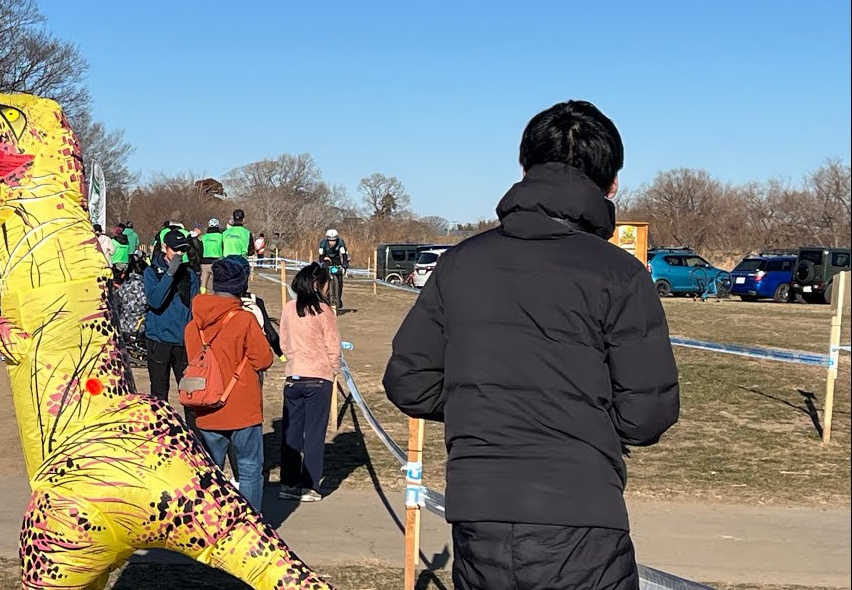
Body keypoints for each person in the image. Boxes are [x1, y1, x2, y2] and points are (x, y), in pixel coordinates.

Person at [382, 100, 680, 590]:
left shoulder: (460, 264)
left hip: (481, 517)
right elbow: (647, 414)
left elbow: (410, 380)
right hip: (584, 519)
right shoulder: (621, 274)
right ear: (613, 184)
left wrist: (483, 404)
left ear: (524, 170)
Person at [183, 256, 274, 510]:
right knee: (249, 470)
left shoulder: (193, 326)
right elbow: (264, 359)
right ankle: (250, 527)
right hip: (242, 407)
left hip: (206, 405)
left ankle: (211, 525)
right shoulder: (244, 320)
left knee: (209, 474)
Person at [278, 263, 342, 503]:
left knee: (291, 433)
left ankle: (289, 482)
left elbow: (284, 343)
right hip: (318, 377)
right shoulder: (324, 311)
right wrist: (332, 370)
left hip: (294, 376)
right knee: (314, 434)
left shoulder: (288, 309)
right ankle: (310, 485)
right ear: (318, 284)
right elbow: (333, 346)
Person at [143, 228, 201, 415]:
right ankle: (160, 437)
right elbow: (155, 301)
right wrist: (169, 274)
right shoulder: (152, 272)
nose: (178, 254)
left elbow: (194, 306)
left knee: (190, 394)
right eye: (174, 250)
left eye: (182, 251)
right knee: (159, 395)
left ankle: (195, 438)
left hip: (183, 342)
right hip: (158, 341)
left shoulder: (189, 274)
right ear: (164, 248)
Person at [109, 257, 148, 367]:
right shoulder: (146, 285)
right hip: (142, 325)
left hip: (124, 326)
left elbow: (116, 306)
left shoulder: (123, 287)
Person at [317, 229, 350, 310]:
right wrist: (322, 263)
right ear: (327, 240)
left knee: (339, 278)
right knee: (325, 274)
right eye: (330, 241)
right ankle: (325, 294)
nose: (332, 242)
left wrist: (345, 263)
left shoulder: (340, 242)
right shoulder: (323, 243)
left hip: (336, 259)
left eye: (334, 241)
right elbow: (321, 255)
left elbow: (344, 254)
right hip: (326, 257)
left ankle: (339, 298)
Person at [199, 218, 224, 293]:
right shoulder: (221, 236)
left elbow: (200, 249)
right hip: (217, 262)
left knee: (203, 284)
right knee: (216, 284)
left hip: (204, 262)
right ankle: (215, 299)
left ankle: (202, 298)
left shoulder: (204, 237)